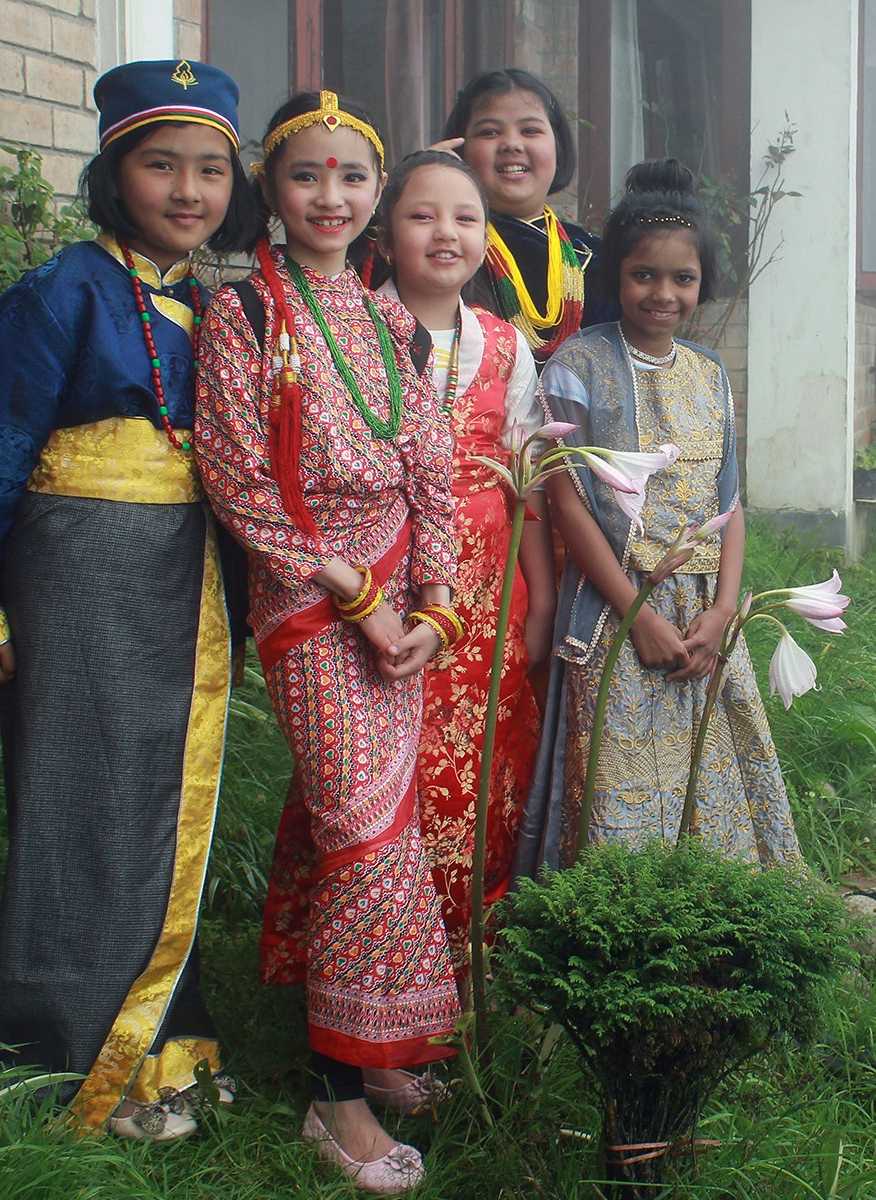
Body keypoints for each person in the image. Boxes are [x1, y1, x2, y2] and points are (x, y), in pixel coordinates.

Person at [0, 59, 256, 1142]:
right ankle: (59, 1060)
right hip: (75, 572)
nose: (189, 190)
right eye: (162, 164)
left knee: (164, 797)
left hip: (181, 574)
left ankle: (159, 1045)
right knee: (79, 801)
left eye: (211, 169)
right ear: (114, 173)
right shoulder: (63, 289)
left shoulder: (215, 307)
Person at [194, 92, 461, 1195]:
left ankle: (380, 1039)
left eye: (353, 178)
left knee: (380, 820)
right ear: (270, 185)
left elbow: (436, 473)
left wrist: (437, 607)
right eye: (307, 175)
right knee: (364, 829)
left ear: (377, 193)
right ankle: (335, 1093)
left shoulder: (393, 318)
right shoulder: (243, 316)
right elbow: (239, 481)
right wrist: (360, 594)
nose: (331, 198)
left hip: (404, 605)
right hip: (314, 603)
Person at [515, 159, 802, 873]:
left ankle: (713, 933)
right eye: (645, 274)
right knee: (618, 782)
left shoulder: (710, 373)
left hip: (706, 615)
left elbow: (729, 503)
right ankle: (616, 952)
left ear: (704, 284)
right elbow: (568, 505)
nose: (663, 293)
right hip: (616, 611)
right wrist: (638, 615)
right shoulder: (576, 367)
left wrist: (726, 612)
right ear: (616, 274)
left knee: (714, 775)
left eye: (683, 278)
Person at [369, 150, 554, 975]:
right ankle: (380, 956)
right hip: (381, 580)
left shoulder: (509, 347)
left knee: (487, 757)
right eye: (422, 215)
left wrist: (540, 601)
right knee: (386, 761)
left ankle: (472, 951)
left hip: (490, 587)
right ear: (383, 229)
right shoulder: (353, 328)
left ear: (488, 240)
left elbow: (531, 490)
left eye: (467, 218)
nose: (447, 233)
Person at [438, 68, 617, 367]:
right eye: (490, 132)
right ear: (459, 150)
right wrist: (422, 184)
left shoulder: (598, 259)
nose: (511, 144)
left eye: (530, 130)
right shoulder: (440, 250)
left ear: (557, 147)